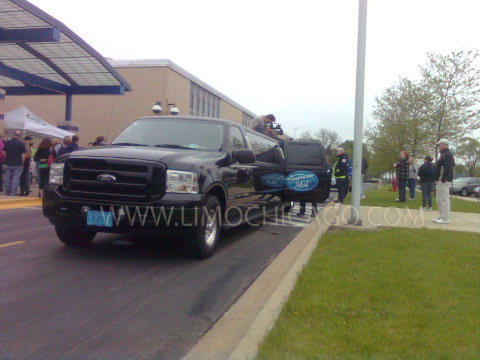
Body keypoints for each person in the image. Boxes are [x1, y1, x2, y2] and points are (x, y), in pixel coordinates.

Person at [433, 139, 455, 224]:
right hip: (440, 179)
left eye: (440, 144)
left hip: (444, 180)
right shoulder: (443, 154)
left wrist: (443, 178)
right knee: (439, 199)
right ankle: (441, 216)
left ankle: (445, 218)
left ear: (445, 145)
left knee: (443, 199)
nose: (438, 146)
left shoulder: (447, 155)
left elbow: (448, 168)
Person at [2, 130, 26, 196]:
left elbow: (3, 151)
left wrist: (7, 157)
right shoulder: (21, 143)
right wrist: (22, 162)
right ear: (19, 136)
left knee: (7, 177)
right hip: (18, 163)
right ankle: (13, 192)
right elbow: (23, 154)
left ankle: (7, 191)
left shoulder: (7, 142)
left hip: (8, 162)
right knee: (15, 178)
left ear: (13, 135)